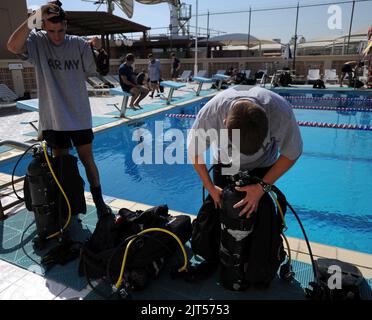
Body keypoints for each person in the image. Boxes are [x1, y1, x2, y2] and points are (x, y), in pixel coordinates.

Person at [6, 1, 111, 217]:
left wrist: (98, 48)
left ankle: (99, 201)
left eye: (61, 30)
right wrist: (36, 15)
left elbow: (97, 70)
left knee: (87, 159)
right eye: (51, 30)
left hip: (80, 115)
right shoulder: (37, 41)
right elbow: (12, 46)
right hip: (54, 118)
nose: (56, 36)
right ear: (43, 25)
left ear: (66, 24)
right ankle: (67, 205)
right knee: (61, 164)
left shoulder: (78, 44)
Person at [187, 86, 303, 218]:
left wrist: (262, 187)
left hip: (262, 166)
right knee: (222, 214)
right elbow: (194, 151)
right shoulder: (210, 115)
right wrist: (210, 187)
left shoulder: (279, 113)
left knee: (259, 216)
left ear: (268, 124)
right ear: (224, 123)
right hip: (226, 164)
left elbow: (292, 152)